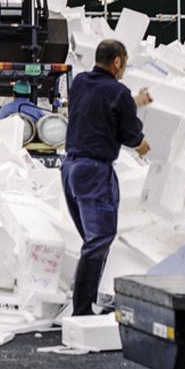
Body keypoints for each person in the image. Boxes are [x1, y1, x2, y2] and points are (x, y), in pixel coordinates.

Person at [62, 40, 152, 316]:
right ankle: (82, 310)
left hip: (70, 169)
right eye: (124, 62)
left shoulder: (79, 83)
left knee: (95, 240)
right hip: (94, 172)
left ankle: (87, 302)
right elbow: (130, 134)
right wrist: (143, 144)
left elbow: (101, 105)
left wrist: (134, 101)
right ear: (117, 62)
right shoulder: (118, 92)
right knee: (99, 238)